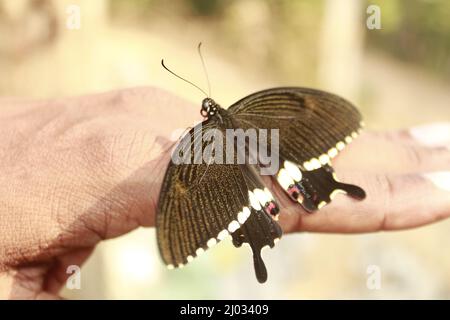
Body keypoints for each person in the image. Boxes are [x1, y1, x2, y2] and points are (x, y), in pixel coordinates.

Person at [0, 87, 448, 299]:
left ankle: (269, 209)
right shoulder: (237, 121)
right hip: (273, 170)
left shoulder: (197, 145)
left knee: (262, 186)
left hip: (269, 172)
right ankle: (284, 197)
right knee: (268, 183)